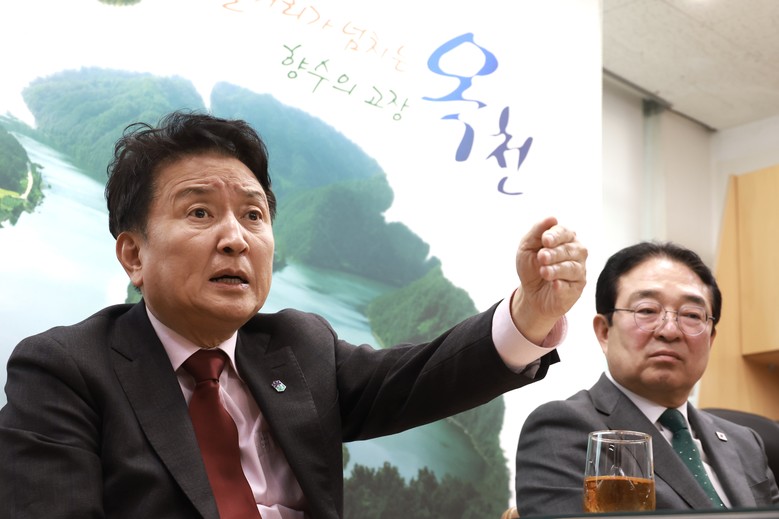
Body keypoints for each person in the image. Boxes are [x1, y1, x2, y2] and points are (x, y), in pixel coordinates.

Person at [0, 111, 588, 519]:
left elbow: (422, 377)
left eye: (253, 215)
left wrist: (530, 313)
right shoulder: (66, 370)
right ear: (134, 254)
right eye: (200, 212)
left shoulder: (299, 346)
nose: (236, 238)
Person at [514, 241, 779, 516]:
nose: (669, 330)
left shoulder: (746, 442)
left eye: (691, 315)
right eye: (647, 311)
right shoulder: (563, 428)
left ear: (711, 339)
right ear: (604, 332)